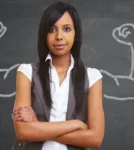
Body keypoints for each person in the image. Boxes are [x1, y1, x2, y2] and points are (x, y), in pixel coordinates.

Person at [12, 1, 104, 150]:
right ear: (44, 34)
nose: (59, 36)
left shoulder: (92, 78)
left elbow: (95, 139)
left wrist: (38, 127)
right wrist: (76, 125)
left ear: (76, 34)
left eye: (67, 29)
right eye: (52, 29)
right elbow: (23, 132)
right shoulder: (26, 73)